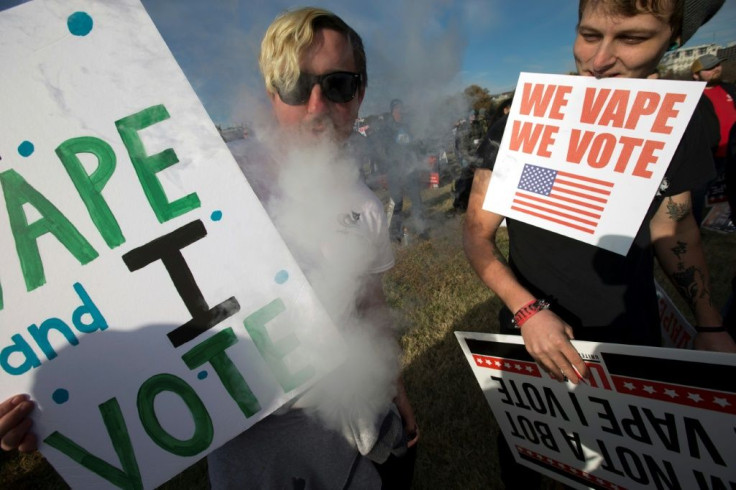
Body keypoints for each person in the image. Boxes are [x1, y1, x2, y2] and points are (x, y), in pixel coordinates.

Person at [1, 7, 418, 489]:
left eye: (339, 85)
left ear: (361, 92)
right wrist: (58, 414)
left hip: (351, 420)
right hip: (245, 433)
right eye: (296, 86)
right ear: (271, 93)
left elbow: (369, 303)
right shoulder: (203, 179)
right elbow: (101, 280)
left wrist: (393, 379)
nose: (317, 107)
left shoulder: (364, 205)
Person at [463, 0, 736, 487]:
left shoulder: (682, 120)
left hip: (630, 334)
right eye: (589, 35)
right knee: (537, 470)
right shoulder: (522, 118)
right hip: (533, 340)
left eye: (632, 39)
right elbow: (478, 235)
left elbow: (676, 227)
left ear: (673, 39)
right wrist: (527, 311)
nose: (601, 59)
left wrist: (709, 323)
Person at [691, 53, 736, 224]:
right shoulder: (692, 95)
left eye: (717, 65)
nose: (716, 69)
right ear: (696, 75)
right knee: (698, 193)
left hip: (731, 154)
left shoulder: (729, 88)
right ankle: (694, 226)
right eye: (709, 68)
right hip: (707, 156)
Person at [377, 98, 427, 241]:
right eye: (398, 109)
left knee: (417, 201)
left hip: (410, 170)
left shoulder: (408, 127)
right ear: (392, 111)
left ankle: (421, 229)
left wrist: (420, 158)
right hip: (395, 171)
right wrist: (386, 170)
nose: (401, 111)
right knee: (396, 203)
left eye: (402, 108)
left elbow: (415, 147)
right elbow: (381, 151)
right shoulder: (386, 129)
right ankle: (394, 234)